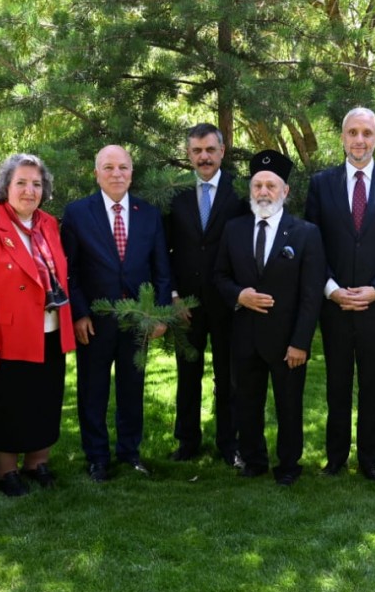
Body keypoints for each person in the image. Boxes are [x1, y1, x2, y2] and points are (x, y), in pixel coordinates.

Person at [304, 107, 375, 481]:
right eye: (353, 132)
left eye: (367, 133)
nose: (359, 140)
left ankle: (370, 462)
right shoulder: (321, 184)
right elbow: (312, 244)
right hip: (334, 306)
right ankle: (335, 459)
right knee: (337, 384)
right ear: (342, 137)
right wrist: (332, 290)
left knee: (372, 386)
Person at [0, 154, 75, 497]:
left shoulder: (48, 224)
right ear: (6, 187)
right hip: (8, 336)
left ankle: (37, 462)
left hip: (50, 331)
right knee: (7, 403)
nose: (29, 190)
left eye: (36, 184)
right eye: (21, 183)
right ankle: (5, 470)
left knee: (44, 398)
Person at [213, 149, 325, 486]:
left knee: (289, 405)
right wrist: (239, 295)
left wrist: (300, 342)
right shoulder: (234, 229)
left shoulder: (305, 233)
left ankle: (289, 464)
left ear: (285, 192)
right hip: (245, 336)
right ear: (250, 190)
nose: (263, 192)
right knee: (247, 403)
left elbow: (311, 294)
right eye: (258, 185)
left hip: (287, 340)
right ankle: (254, 459)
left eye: (271, 186)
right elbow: (219, 276)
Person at [61, 144, 171, 482]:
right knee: (92, 390)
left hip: (138, 320)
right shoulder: (78, 213)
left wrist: (160, 314)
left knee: (132, 387)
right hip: (94, 321)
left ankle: (129, 451)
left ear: (131, 172)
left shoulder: (148, 214)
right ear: (96, 174)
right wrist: (79, 314)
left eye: (123, 167)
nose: (116, 174)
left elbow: (161, 269)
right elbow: (70, 271)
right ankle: (97, 457)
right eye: (108, 168)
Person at [165, 122, 248, 465]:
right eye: (197, 151)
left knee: (228, 376)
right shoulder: (175, 192)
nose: (204, 157)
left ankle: (229, 444)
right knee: (187, 374)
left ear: (222, 152)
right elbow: (163, 248)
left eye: (210, 150)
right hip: (186, 303)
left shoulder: (240, 191)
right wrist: (172, 296)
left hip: (228, 302)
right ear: (188, 154)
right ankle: (187, 441)